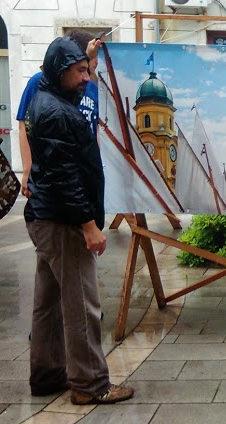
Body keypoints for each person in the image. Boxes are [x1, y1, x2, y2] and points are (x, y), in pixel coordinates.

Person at [23, 36, 134, 405]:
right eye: (80, 71)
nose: (86, 77)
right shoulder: (58, 113)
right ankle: (90, 384)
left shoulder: (46, 100)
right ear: (60, 71)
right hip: (63, 222)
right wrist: (89, 226)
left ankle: (47, 374)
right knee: (82, 305)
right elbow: (65, 177)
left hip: (45, 216)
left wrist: (87, 58)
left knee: (48, 303)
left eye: (87, 70)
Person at [18, 29, 101, 198]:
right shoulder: (39, 82)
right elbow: (23, 126)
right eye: (94, 56)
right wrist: (27, 170)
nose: (97, 61)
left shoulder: (92, 87)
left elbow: (96, 129)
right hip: (51, 177)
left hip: (83, 175)